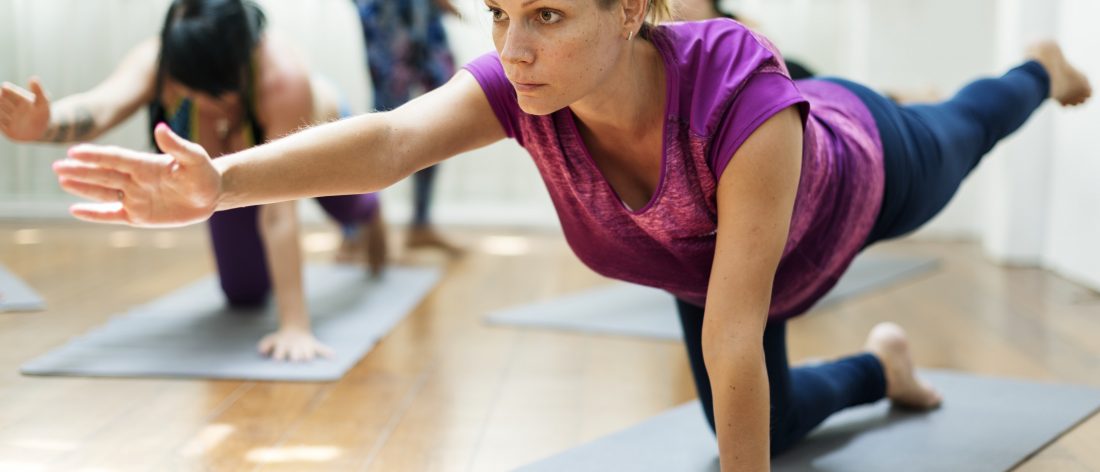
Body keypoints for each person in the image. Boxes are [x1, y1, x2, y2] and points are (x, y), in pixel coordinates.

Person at [49, 0, 1090, 467]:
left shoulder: (742, 95)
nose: (514, 45)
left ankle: (1036, 69)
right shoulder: (521, 88)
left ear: (632, 8)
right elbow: (387, 143)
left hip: (857, 172)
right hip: (713, 265)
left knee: (964, 130)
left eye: (546, 13)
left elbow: (733, 343)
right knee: (760, 433)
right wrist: (218, 181)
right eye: (502, 12)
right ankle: (880, 370)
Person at [1, 0, 390, 362]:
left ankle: (369, 214)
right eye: (193, 92)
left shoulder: (282, 78)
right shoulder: (166, 61)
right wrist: (45, 125)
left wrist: (295, 325)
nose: (202, 102)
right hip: (227, 168)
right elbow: (102, 107)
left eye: (216, 93)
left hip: (315, 137)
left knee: (348, 204)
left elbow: (279, 215)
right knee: (243, 294)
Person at [355, 0, 463, 254]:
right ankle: (362, 223)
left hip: (422, 11)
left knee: (440, 112)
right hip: (385, 9)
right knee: (384, 119)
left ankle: (420, 224)